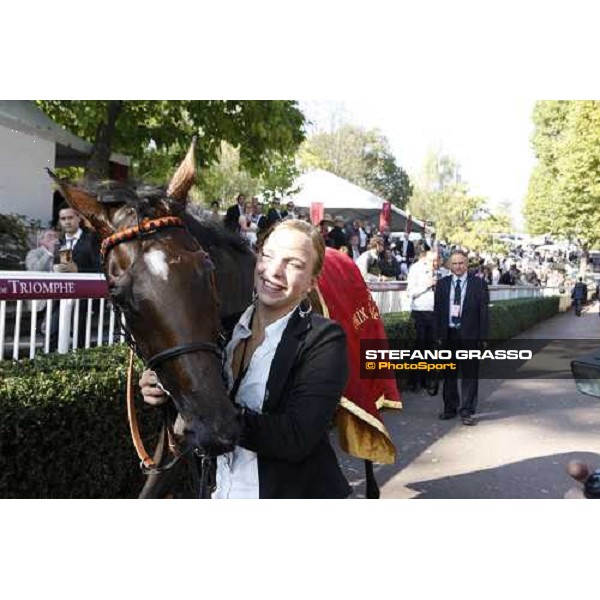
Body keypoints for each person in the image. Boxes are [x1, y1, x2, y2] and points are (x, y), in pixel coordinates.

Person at [139, 219, 351, 499]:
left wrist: (206, 412)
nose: (274, 271)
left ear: (312, 282)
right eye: (268, 255)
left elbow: (297, 437)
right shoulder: (221, 329)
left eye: (294, 264)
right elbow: (189, 409)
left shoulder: (324, 339)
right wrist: (165, 389)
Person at [434, 250, 489, 426]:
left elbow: (484, 313)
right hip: (448, 334)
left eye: (461, 263)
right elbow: (437, 312)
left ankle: (467, 410)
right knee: (448, 373)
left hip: (470, 335)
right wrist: (438, 335)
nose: (458, 266)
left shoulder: (478, 284)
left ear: (467, 265)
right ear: (450, 265)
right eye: (455, 263)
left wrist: (483, 338)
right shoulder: (442, 285)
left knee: (470, 374)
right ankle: (450, 408)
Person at [49, 204, 101, 350]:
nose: (67, 222)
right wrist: (55, 269)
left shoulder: (91, 240)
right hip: (61, 296)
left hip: (84, 298)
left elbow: (100, 269)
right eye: (63, 218)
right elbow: (56, 265)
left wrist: (78, 270)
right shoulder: (60, 242)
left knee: (80, 337)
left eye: (70, 217)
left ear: (79, 218)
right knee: (54, 334)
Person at [406, 250, 440, 394]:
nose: (435, 264)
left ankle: (428, 380)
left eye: (437, 261)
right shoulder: (416, 269)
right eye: (433, 261)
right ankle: (415, 381)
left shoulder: (440, 271)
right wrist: (426, 285)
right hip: (419, 311)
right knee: (418, 346)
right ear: (426, 258)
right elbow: (410, 292)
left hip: (434, 312)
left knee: (430, 348)